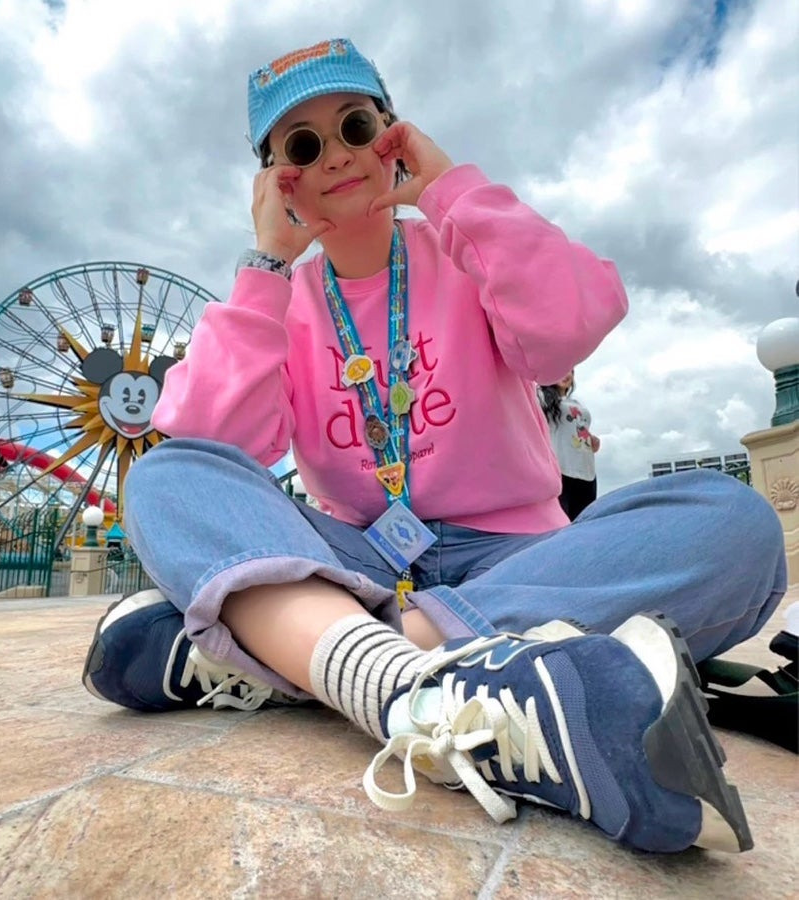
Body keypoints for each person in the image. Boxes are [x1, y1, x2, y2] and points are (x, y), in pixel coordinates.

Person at [81, 38, 787, 854]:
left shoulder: (463, 247)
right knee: (167, 474)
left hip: (514, 555)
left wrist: (454, 191)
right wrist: (265, 265)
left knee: (736, 526)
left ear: (394, 133)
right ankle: (434, 678)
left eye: (355, 126)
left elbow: (572, 323)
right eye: (302, 146)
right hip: (358, 562)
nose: (335, 156)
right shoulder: (280, 299)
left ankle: (311, 652)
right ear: (276, 179)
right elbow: (214, 442)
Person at [539, 369, 599, 520]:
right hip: (562, 470)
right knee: (563, 523)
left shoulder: (576, 403)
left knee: (586, 522)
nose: (566, 375)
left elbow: (576, 430)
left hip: (587, 471)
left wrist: (593, 439)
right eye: (561, 369)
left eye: (570, 371)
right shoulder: (541, 398)